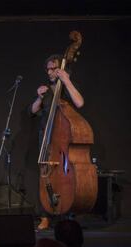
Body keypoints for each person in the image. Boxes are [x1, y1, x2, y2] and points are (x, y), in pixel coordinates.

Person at [29, 54, 84, 230]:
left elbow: (79, 102)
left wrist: (66, 80)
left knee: (65, 176)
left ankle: (68, 212)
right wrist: (38, 97)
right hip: (46, 137)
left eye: (53, 68)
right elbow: (33, 111)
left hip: (63, 140)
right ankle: (45, 215)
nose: (50, 72)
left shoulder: (67, 87)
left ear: (61, 68)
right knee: (45, 176)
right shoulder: (47, 88)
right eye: (48, 69)